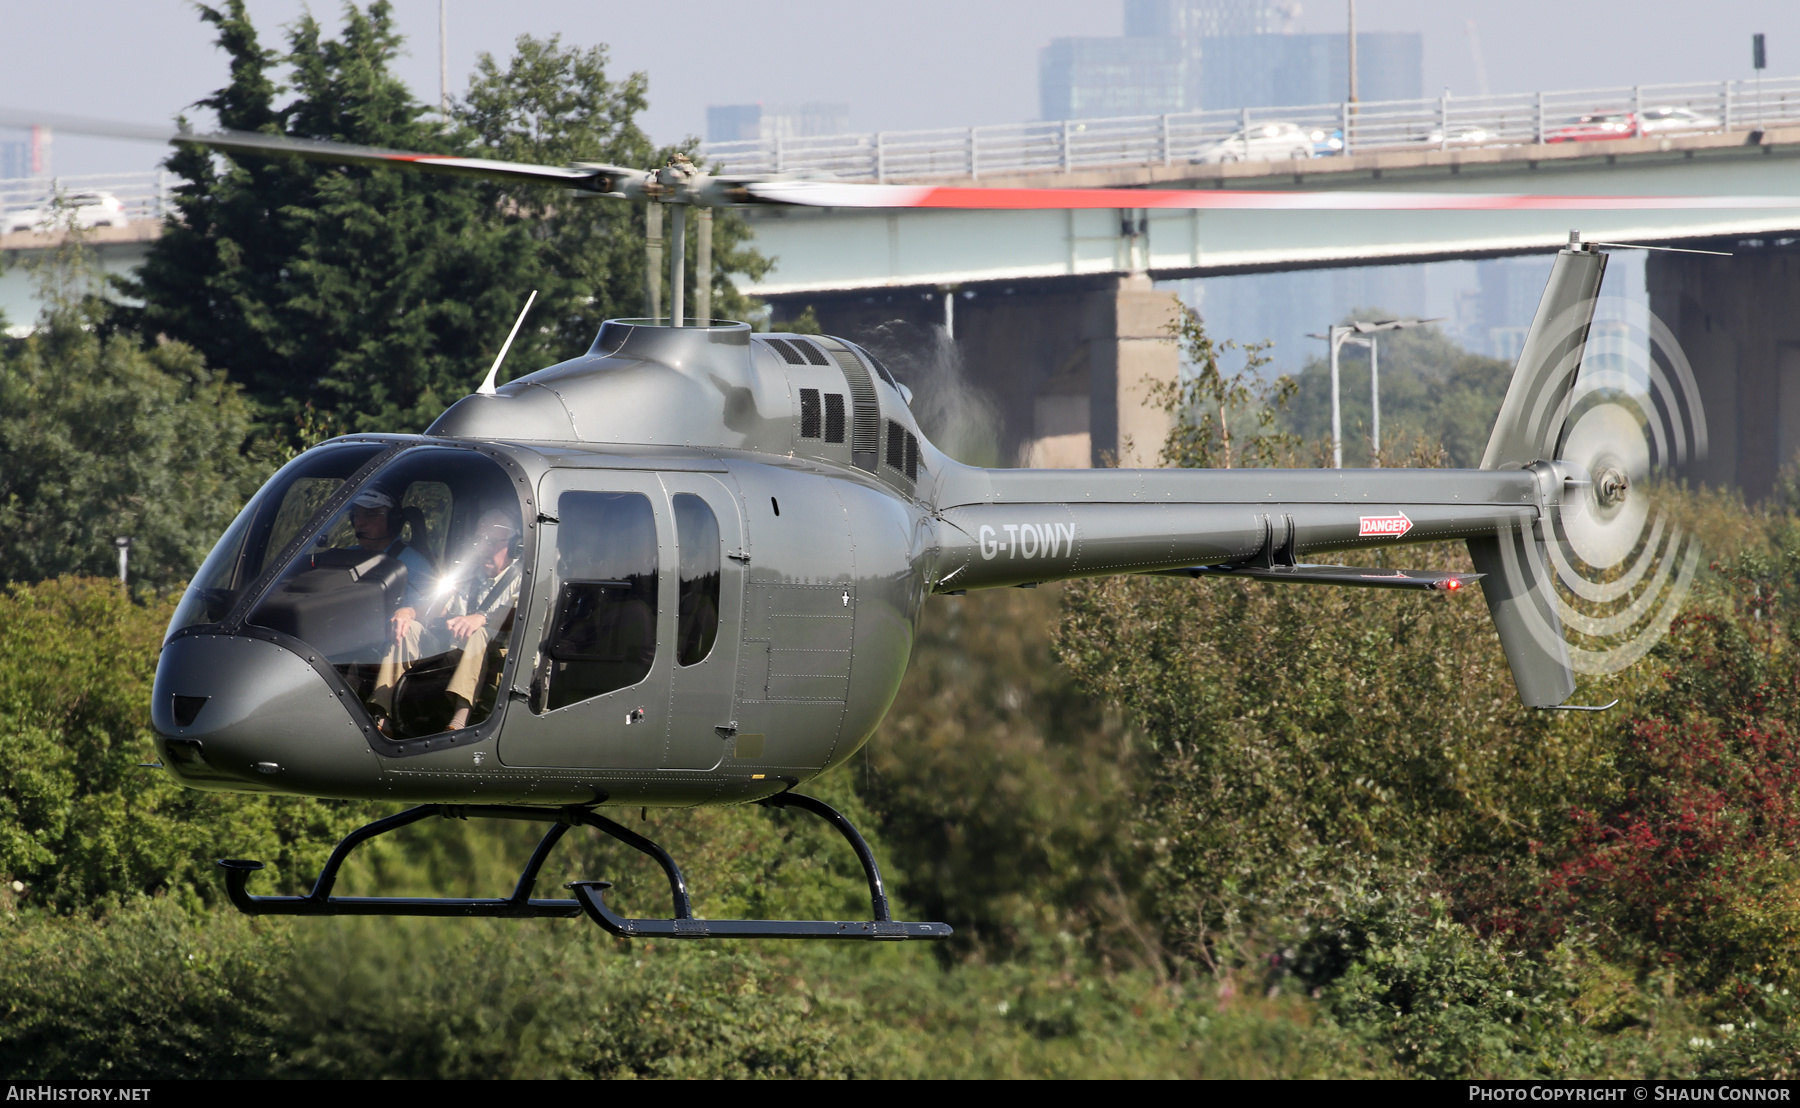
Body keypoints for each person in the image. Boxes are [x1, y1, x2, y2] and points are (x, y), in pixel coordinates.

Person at [441, 510, 523, 730]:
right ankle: (382, 714)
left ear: (515, 545)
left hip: (506, 655)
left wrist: (483, 619)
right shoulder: (469, 575)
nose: (482, 548)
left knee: (479, 634)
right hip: (455, 649)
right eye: (478, 541)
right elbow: (442, 610)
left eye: (491, 542)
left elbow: (520, 616)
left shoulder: (525, 578)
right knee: (411, 628)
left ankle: (459, 719)